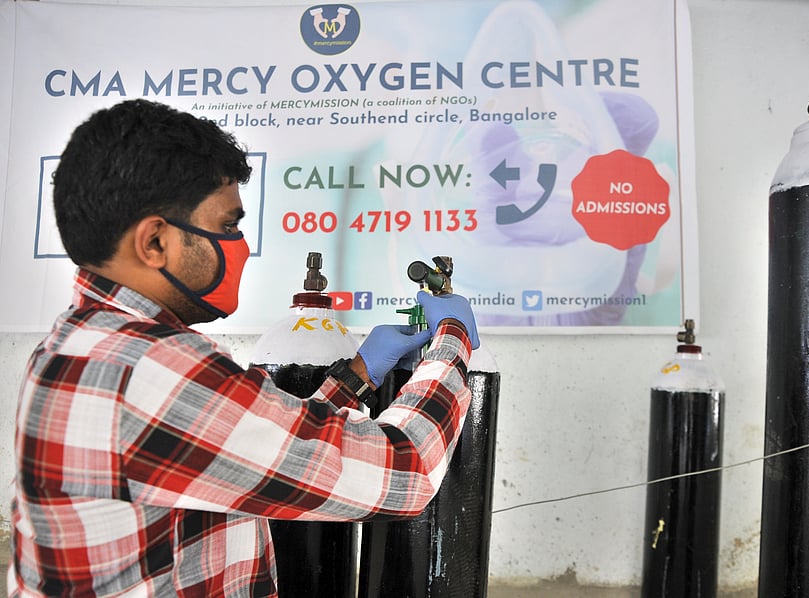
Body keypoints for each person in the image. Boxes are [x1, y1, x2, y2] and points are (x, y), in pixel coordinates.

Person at [7, 98, 480, 597]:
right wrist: (451, 341)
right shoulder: (154, 370)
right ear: (154, 243)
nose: (241, 246)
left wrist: (357, 375)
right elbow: (405, 471)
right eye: (227, 226)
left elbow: (253, 445)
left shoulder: (77, 345)